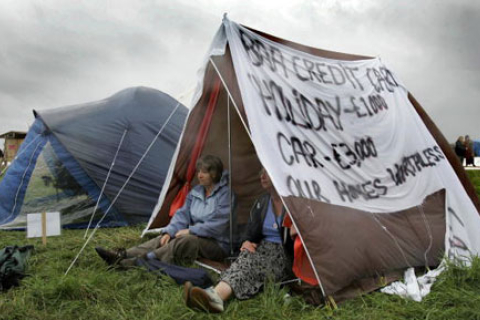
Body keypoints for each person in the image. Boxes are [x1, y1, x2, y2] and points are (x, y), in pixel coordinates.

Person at [184, 168, 293, 313]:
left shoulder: (293, 204)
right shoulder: (263, 201)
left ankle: (213, 296)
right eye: (261, 172)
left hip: (284, 253)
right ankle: (214, 297)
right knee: (246, 257)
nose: (262, 176)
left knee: (251, 263)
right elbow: (251, 231)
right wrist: (247, 241)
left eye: (266, 172)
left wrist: (296, 233)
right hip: (263, 247)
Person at [95, 154, 232, 267]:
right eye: (198, 171)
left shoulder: (225, 195)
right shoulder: (196, 192)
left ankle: (133, 264)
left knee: (185, 240)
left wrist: (191, 230)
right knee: (163, 239)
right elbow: (182, 215)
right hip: (197, 236)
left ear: (214, 174)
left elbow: (220, 225)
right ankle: (122, 255)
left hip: (217, 244)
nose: (199, 175)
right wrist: (170, 231)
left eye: (204, 172)